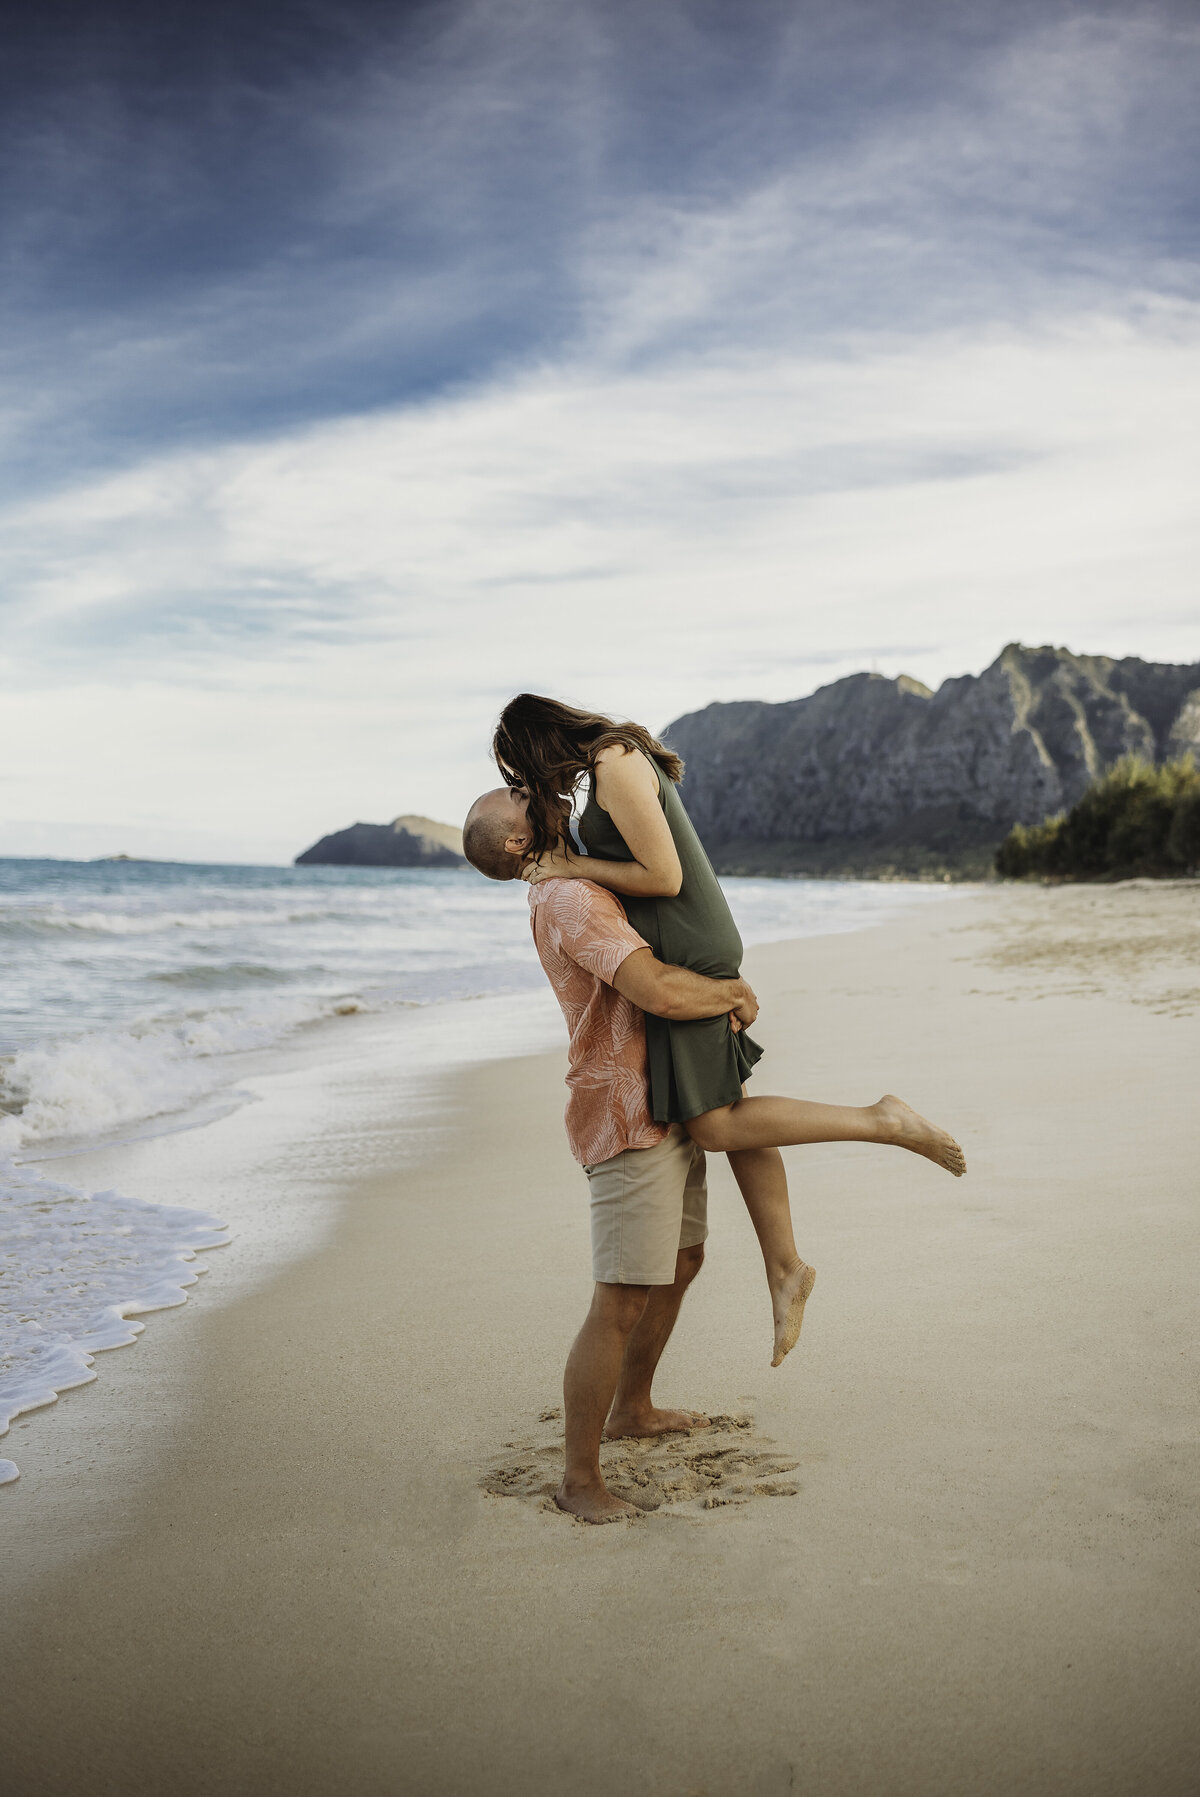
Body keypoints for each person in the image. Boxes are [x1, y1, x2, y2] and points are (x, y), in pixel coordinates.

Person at [470, 696, 966, 1364]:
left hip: (688, 949)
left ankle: (882, 1120)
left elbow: (664, 875)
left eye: (518, 770)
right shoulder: (607, 766)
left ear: (537, 740)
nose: (528, 785)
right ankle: (785, 1267)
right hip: (681, 948)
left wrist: (571, 865)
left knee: (716, 1126)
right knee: (728, 1116)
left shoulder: (614, 762)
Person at [464, 795, 781, 1523]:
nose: (537, 790)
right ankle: (579, 1479)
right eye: (521, 797)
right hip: (625, 1111)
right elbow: (656, 991)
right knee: (619, 1297)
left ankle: (632, 1406)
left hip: (667, 1091)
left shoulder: (578, 877)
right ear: (517, 841)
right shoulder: (569, 900)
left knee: (684, 1258)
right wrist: (732, 993)